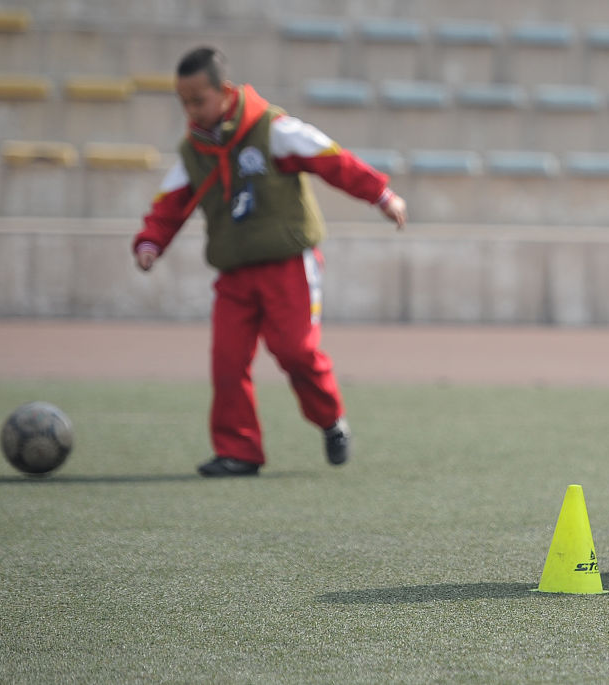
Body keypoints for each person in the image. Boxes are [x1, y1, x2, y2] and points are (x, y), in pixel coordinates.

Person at [132, 46, 407, 477]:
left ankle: (330, 420)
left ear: (224, 92)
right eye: (183, 102)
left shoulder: (273, 129)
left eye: (197, 100)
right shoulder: (194, 151)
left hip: (288, 266)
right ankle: (238, 451)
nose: (190, 110)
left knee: (296, 352)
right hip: (234, 275)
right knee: (227, 362)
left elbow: (332, 159)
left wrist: (381, 194)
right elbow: (170, 203)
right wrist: (150, 242)